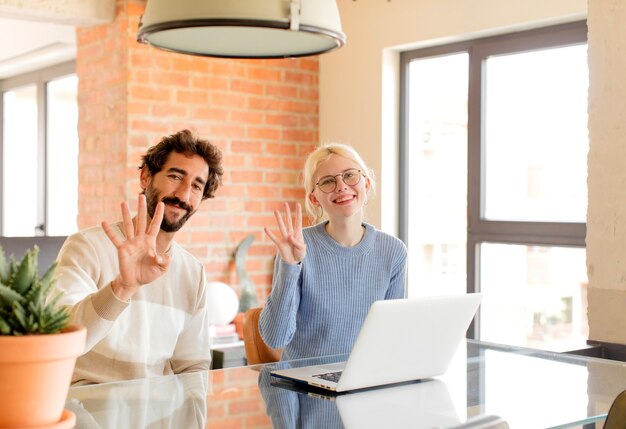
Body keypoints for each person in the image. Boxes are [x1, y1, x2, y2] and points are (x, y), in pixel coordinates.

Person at [55, 129, 223, 385]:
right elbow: (62, 340)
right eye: (175, 176)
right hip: (88, 413)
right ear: (146, 176)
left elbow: (193, 368)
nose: (184, 195)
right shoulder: (85, 247)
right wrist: (122, 288)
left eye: (197, 186)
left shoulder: (192, 271)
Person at [259, 143, 407, 361]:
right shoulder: (297, 246)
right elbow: (276, 338)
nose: (341, 186)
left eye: (349, 175)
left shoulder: (393, 251)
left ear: (366, 184)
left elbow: (392, 335)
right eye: (328, 181)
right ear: (314, 199)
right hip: (305, 385)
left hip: (364, 383)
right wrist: (290, 267)